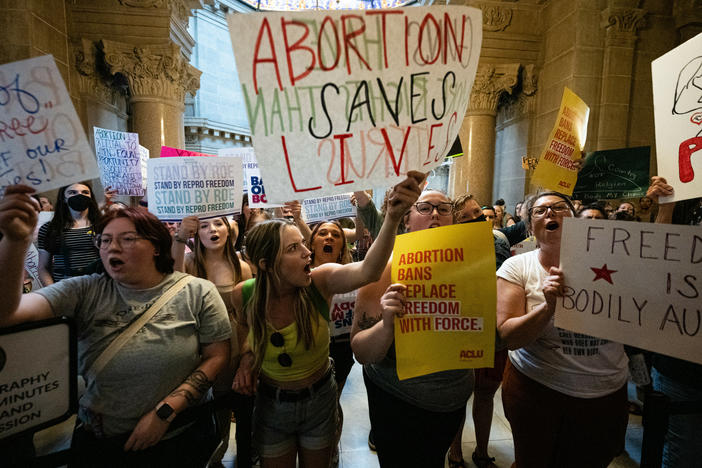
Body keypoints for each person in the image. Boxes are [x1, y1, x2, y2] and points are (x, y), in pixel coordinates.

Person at [0, 185, 231, 467]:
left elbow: (217, 356)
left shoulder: (197, 291)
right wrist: (15, 241)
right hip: (101, 441)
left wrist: (165, 413)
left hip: (178, 437)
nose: (113, 247)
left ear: (156, 246)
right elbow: (7, 315)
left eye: (127, 239)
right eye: (105, 240)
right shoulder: (83, 290)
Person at [232, 172, 424, 468]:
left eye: (303, 244)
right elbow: (244, 327)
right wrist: (246, 357)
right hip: (271, 405)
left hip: (319, 401)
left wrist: (393, 217)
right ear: (265, 264)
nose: (308, 253)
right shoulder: (242, 295)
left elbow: (369, 271)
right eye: (294, 248)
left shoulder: (318, 282)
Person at [496, 192, 629, 468]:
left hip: (604, 394)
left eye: (559, 208)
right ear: (530, 227)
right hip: (537, 391)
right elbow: (508, 336)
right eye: (540, 210)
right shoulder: (518, 267)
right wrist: (548, 308)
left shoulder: (617, 263)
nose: (550, 213)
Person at [351, 190, 474, 468]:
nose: (434, 213)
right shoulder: (383, 267)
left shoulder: (472, 266)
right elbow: (360, 350)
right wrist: (387, 325)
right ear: (407, 220)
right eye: (425, 207)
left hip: (451, 401)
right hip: (398, 400)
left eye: (443, 209)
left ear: (453, 220)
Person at [171, 215, 253, 468]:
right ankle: (214, 455)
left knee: (242, 406)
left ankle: (247, 456)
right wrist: (180, 236)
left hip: (237, 345)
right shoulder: (189, 262)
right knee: (210, 408)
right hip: (201, 347)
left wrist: (248, 359)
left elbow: (250, 319)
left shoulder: (242, 267)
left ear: (229, 231)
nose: (212, 230)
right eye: (204, 226)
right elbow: (174, 283)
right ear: (197, 234)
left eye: (218, 224)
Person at [448, 193, 509, 468]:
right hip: (460, 331)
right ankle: (455, 451)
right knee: (459, 395)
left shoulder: (500, 241)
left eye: (478, 213)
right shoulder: (445, 247)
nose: (476, 219)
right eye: (466, 217)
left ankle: (482, 452)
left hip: (494, 335)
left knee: (486, 393)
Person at [308, 220, 355, 465]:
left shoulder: (353, 276)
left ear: (342, 246)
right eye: (322, 233)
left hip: (340, 347)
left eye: (335, 235)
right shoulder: (300, 276)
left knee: (331, 401)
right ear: (312, 241)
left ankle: (331, 448)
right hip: (308, 347)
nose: (328, 238)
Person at [37, 182, 102, 285]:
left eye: (85, 192)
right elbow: (43, 268)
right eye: (72, 192)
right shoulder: (50, 229)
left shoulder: (103, 225)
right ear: (64, 199)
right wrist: (54, 293)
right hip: (65, 287)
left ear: (91, 198)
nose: (79, 195)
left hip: (99, 285)